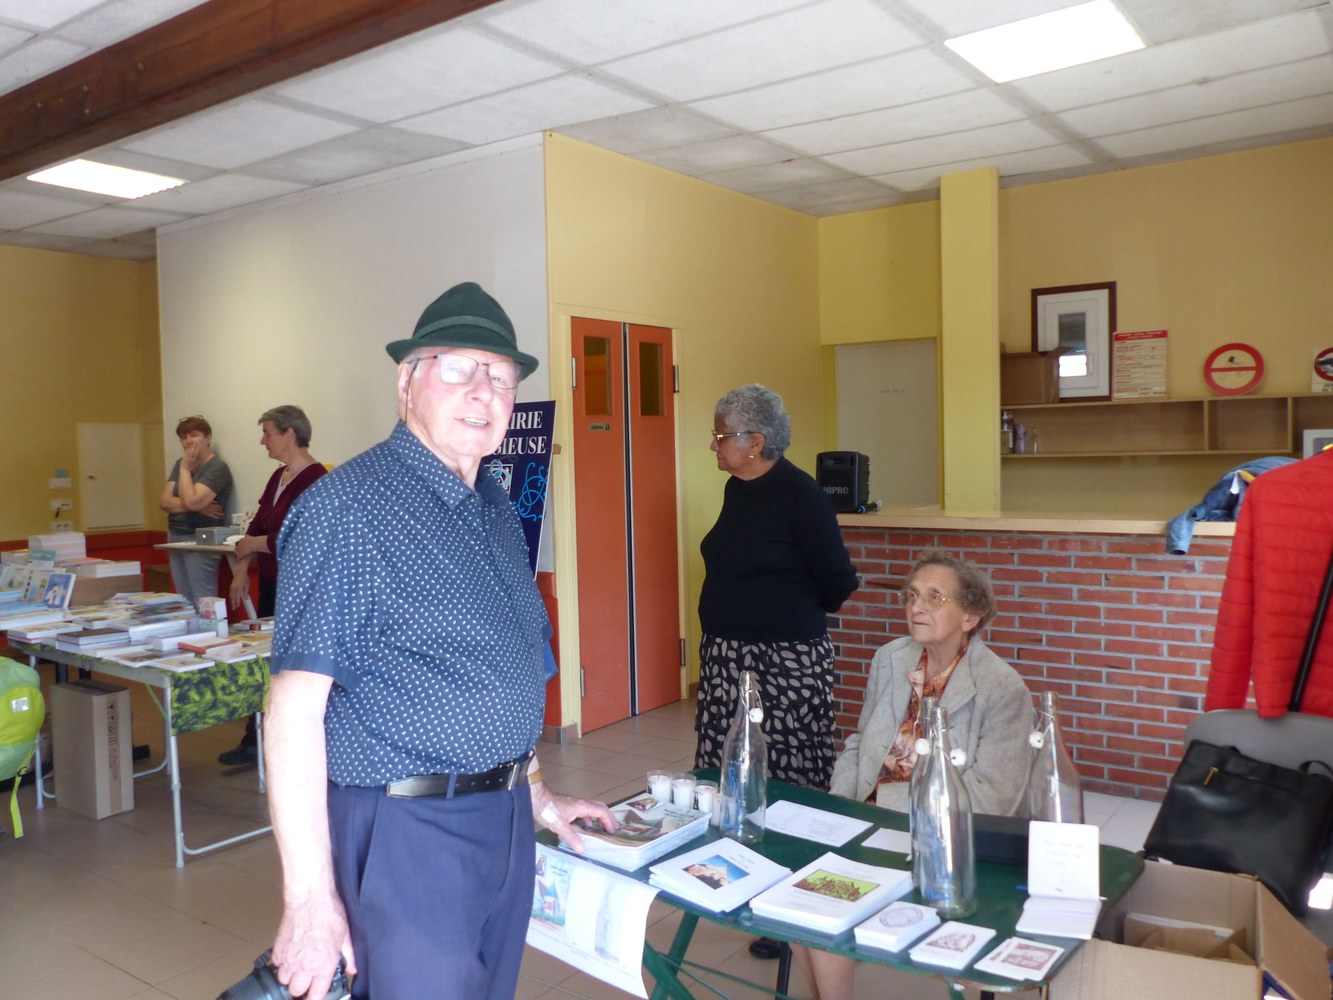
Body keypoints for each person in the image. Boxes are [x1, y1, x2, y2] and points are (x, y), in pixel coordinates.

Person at [265, 281, 616, 1000]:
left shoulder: (493, 508)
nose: (483, 391)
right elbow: (293, 712)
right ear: (407, 383)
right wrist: (307, 901)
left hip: (504, 819)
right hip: (407, 832)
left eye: (501, 377)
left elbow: (499, 672)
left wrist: (539, 797)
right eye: (458, 369)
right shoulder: (349, 509)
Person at [798, 550, 1034, 1000]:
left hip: (943, 844)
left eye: (934, 597)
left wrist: (877, 807)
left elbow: (990, 800)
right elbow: (859, 742)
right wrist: (841, 804)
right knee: (800, 909)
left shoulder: (1003, 689)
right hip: (864, 822)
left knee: (822, 913)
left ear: (971, 616)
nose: (916, 607)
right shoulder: (890, 658)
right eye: (911, 595)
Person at [694, 384, 858, 790]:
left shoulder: (803, 496)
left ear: (755, 442)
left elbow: (837, 581)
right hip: (726, 657)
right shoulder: (737, 488)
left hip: (784, 660)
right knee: (727, 766)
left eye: (720, 436)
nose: (713, 445)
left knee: (786, 770)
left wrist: (783, 611)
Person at [218, 405, 327, 766]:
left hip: (299, 589)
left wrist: (253, 544)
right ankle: (256, 738)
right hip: (269, 582)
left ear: (289, 434)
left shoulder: (315, 479)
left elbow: (300, 537)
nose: (263, 441)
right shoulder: (278, 476)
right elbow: (257, 527)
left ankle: (288, 739)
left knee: (291, 668)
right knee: (264, 661)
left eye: (267, 433)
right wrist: (241, 567)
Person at [159, 415, 233, 606]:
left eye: (194, 435)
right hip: (176, 535)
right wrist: (198, 507)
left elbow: (192, 501)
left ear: (208, 438)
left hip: (201, 539)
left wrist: (185, 471)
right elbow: (165, 502)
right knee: (184, 599)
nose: (188, 441)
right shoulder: (180, 463)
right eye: (184, 437)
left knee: (204, 599)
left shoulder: (217, 467)